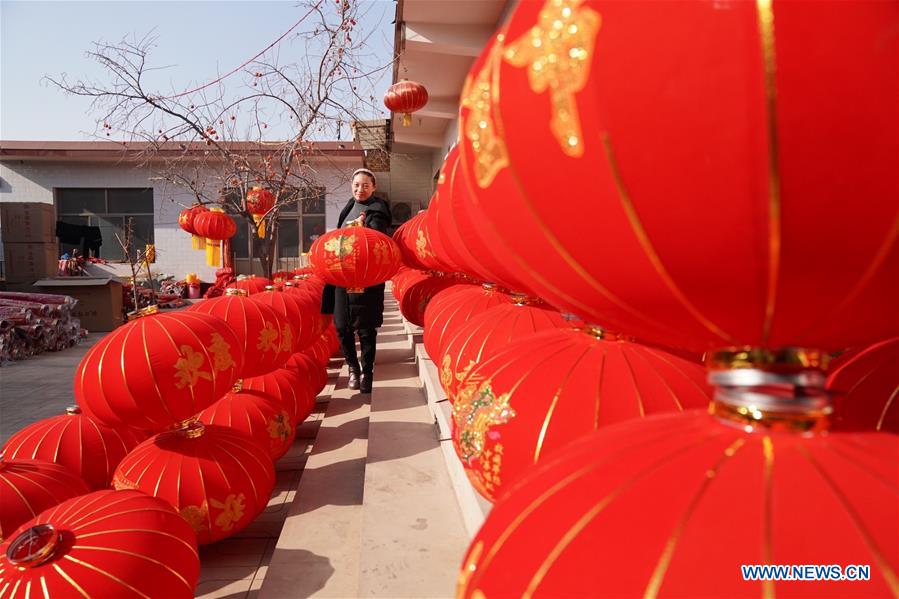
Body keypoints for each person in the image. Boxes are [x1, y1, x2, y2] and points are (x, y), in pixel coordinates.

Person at [320, 168, 392, 393]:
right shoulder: (349, 206)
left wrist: (363, 230)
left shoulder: (377, 210)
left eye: (365, 185)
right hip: (342, 277)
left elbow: (377, 238)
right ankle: (352, 367)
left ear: (374, 188)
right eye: (356, 185)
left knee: (366, 329)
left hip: (365, 278)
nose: (360, 189)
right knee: (342, 326)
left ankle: (367, 373)